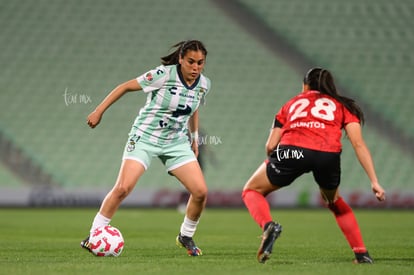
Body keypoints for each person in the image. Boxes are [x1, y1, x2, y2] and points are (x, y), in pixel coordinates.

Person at [80, 40, 211, 256]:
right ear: (180, 59)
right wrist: (98, 111)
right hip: (145, 137)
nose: (195, 67)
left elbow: (193, 108)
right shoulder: (163, 75)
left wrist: (194, 137)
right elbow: (125, 87)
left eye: (200, 63)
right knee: (123, 188)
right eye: (191, 62)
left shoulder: (204, 84)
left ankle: (185, 236)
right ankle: (94, 235)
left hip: (175, 142)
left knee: (200, 192)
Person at [242, 68, 386, 264]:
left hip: (292, 151)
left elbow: (270, 146)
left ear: (305, 85)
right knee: (334, 202)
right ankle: (361, 254)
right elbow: (358, 144)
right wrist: (374, 181)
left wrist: (276, 159)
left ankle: (269, 226)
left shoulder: (291, 104)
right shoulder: (342, 106)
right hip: (327, 155)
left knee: (251, 190)